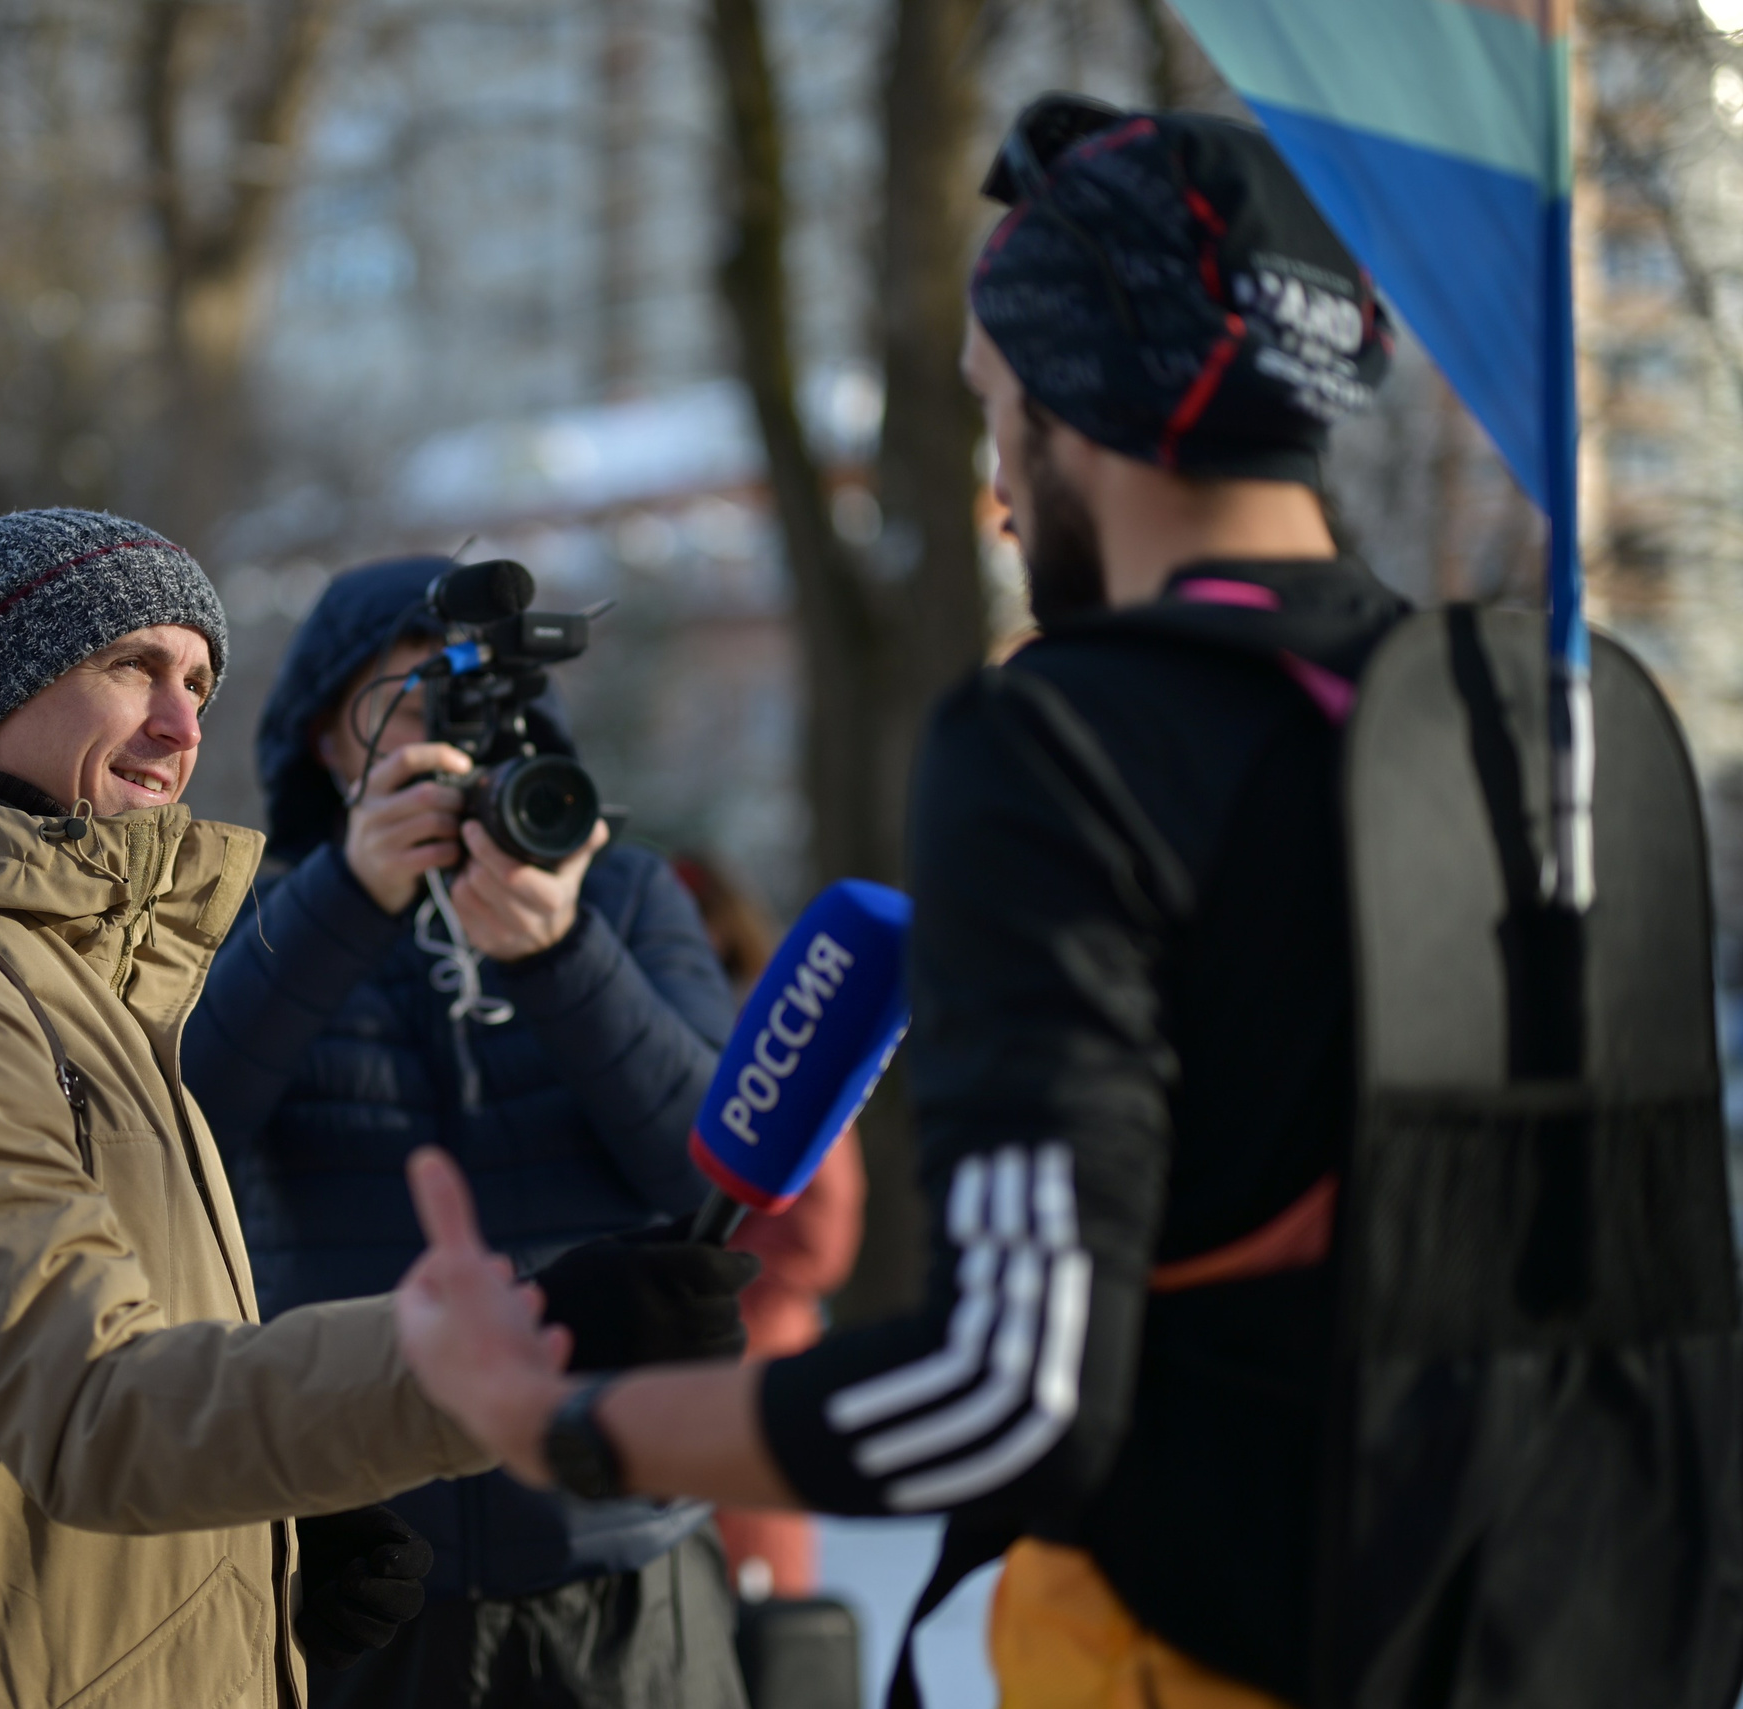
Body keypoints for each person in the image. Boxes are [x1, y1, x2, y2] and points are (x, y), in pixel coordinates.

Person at [390, 105, 1438, 1709]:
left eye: (996, 412)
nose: (1000, 491)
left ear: (1079, 398)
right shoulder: (1537, 717)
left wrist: (557, 1423)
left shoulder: (1063, 739)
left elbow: (1003, 1389)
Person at [0, 508, 512, 1709]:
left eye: (198, 678)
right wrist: (464, 1370)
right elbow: (92, 1409)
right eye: (129, 665)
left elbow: (97, 1387)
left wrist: (275, 1523)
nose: (183, 724)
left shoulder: (96, 992)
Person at [184, 557, 755, 1709]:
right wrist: (345, 898)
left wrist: (559, 956)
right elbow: (181, 1119)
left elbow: (706, 1164)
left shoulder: (627, 900)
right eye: (395, 704)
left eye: (459, 702)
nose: (432, 737)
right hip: (369, 1562)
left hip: (622, 1541)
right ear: (316, 743)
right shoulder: (249, 919)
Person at [668, 854, 866, 1605]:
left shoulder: (778, 1036)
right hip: (684, 1355)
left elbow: (822, 1235)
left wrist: (709, 1265)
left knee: (755, 1597)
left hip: (750, 1349)